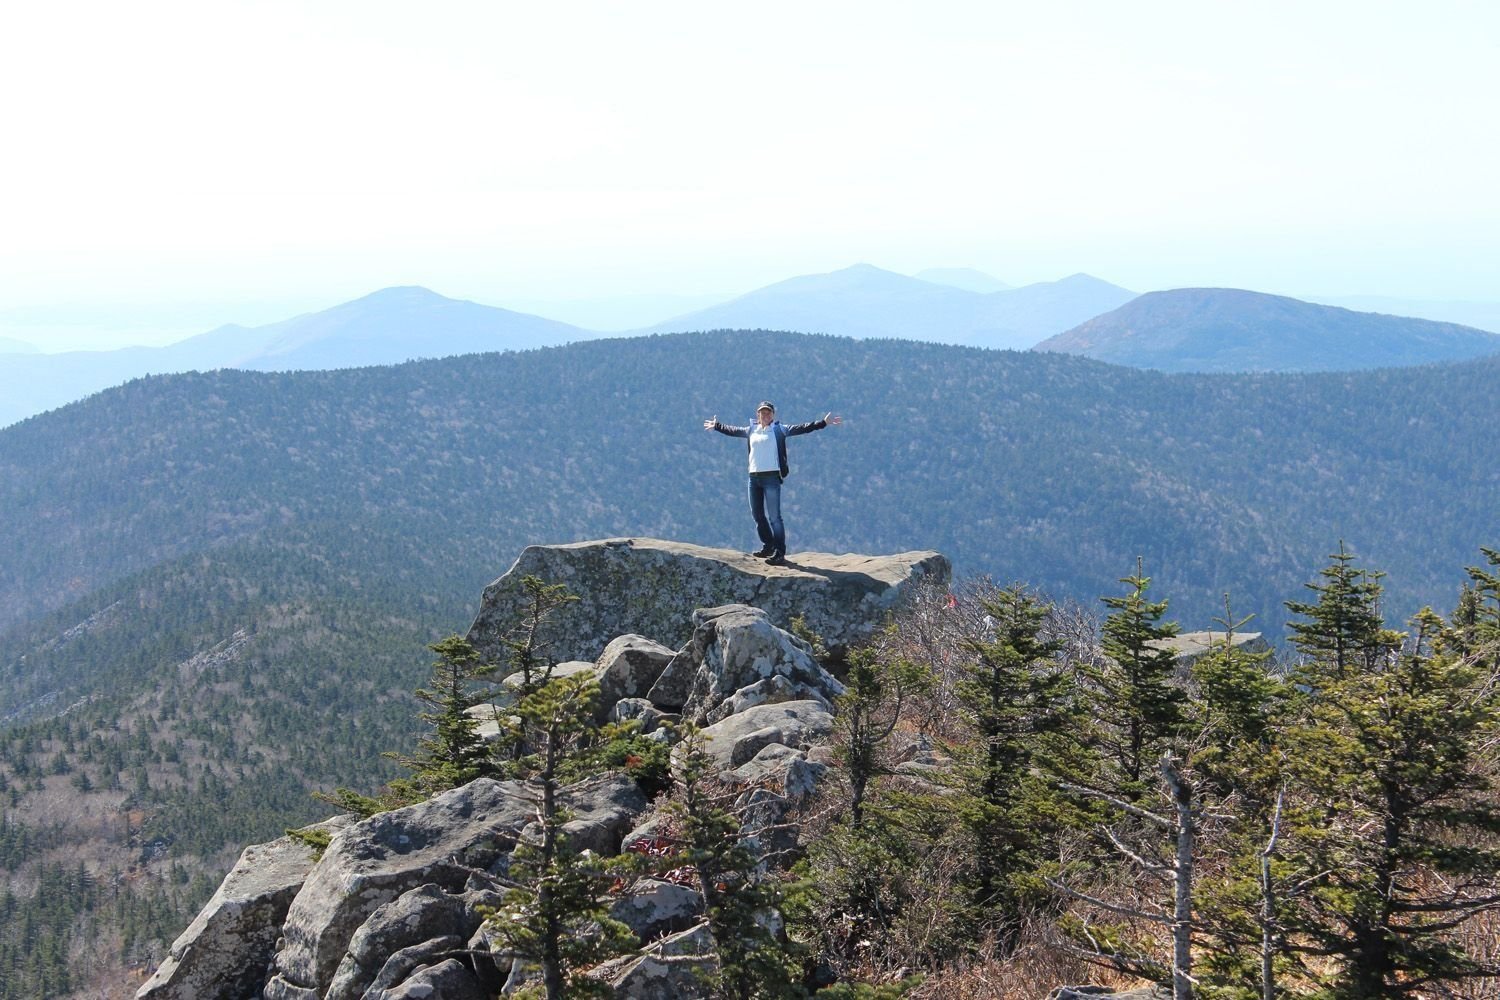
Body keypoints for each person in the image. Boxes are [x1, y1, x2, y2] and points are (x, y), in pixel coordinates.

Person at [704, 401, 841, 565]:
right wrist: (717, 426)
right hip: (754, 478)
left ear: (773, 415)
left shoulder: (779, 430)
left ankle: (779, 552)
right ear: (758, 415)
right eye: (762, 412)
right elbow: (733, 431)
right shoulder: (751, 430)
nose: (765, 415)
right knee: (757, 515)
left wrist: (823, 423)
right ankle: (768, 545)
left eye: (768, 412)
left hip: (771, 479)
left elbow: (802, 428)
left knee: (775, 517)